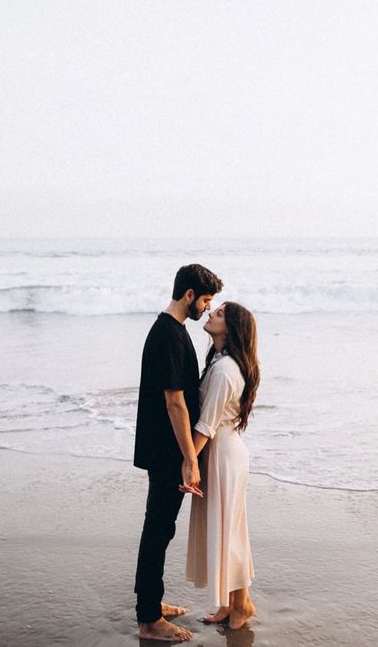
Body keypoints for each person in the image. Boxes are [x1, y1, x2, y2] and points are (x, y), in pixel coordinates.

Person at [133, 263, 223, 642]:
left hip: (166, 449)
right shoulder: (168, 334)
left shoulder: (174, 331)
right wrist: (189, 456)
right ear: (189, 295)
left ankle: (151, 603)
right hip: (167, 451)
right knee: (158, 528)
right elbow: (175, 403)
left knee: (160, 528)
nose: (205, 307)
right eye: (204, 300)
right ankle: (150, 619)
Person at [183, 301, 260, 630]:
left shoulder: (226, 369)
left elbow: (206, 424)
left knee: (230, 533)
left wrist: (188, 462)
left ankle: (242, 603)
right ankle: (232, 603)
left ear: (230, 328)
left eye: (220, 313)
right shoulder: (219, 362)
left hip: (222, 457)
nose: (211, 312)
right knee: (228, 531)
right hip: (221, 453)